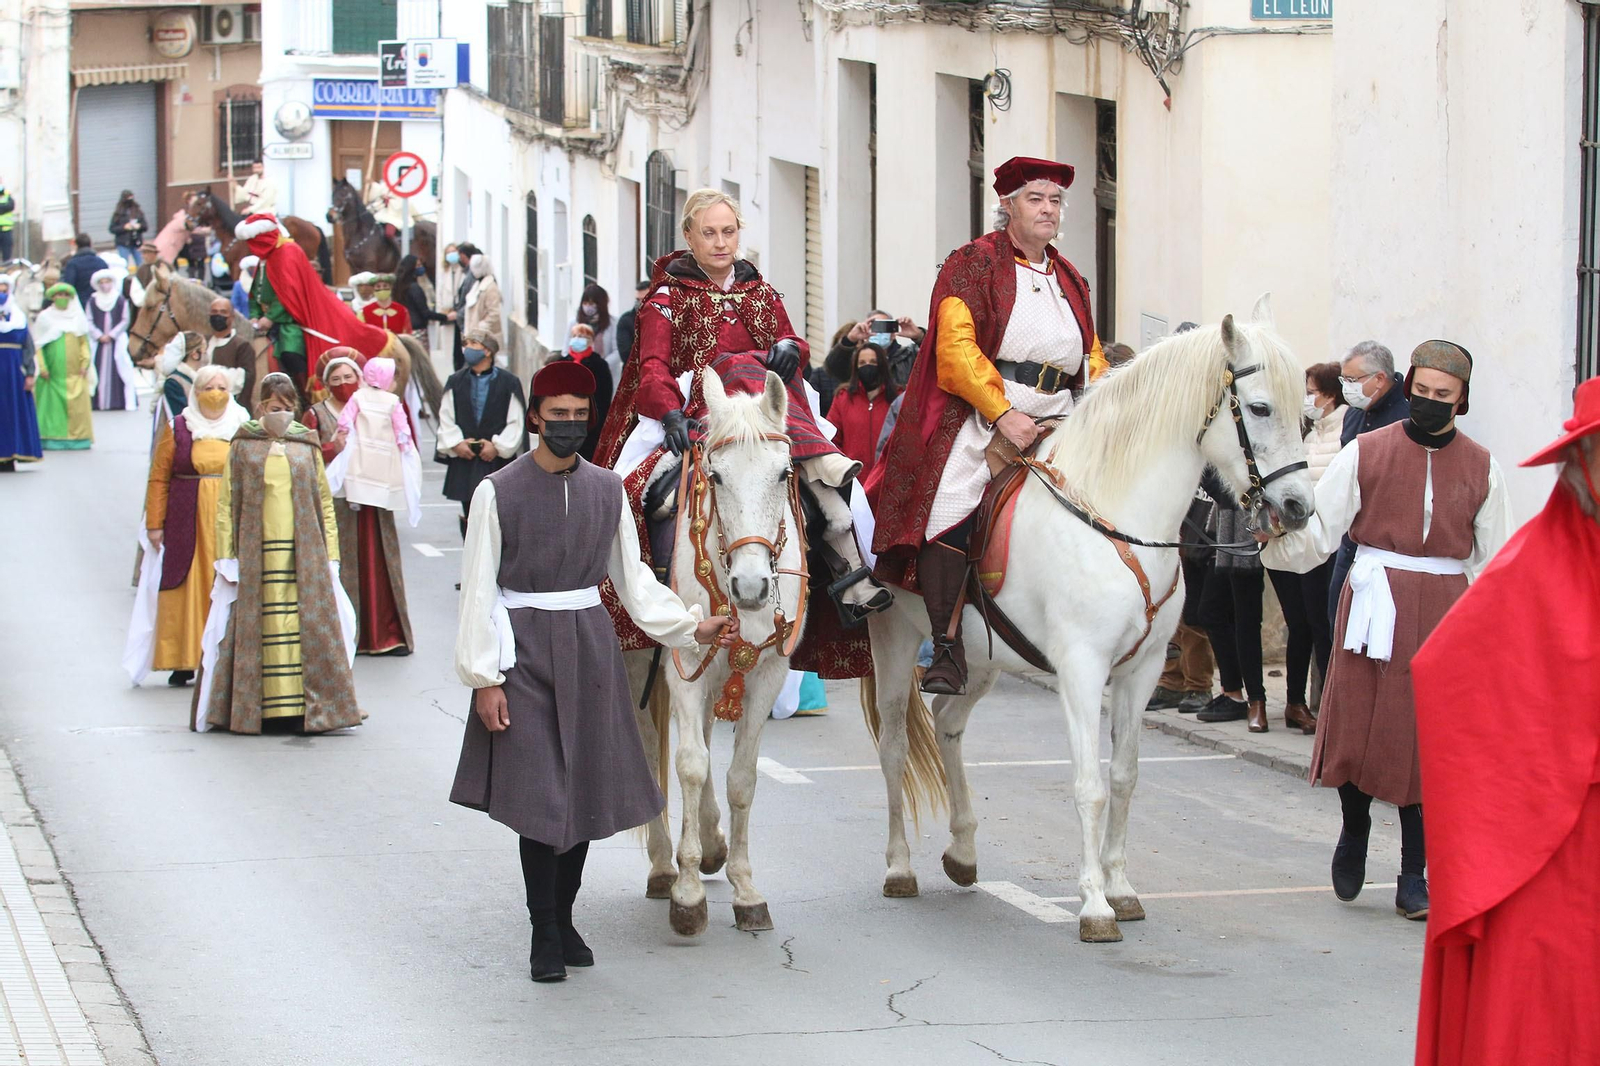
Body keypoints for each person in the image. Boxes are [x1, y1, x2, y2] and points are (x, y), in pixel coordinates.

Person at [449, 360, 737, 983]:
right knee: (540, 799)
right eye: (559, 417)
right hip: (520, 650)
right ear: (535, 418)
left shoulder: (608, 490)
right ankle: (542, 930)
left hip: (588, 646)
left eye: (581, 417)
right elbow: (477, 590)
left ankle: (566, 916)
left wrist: (690, 624)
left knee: (578, 794)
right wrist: (485, 680)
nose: (571, 427)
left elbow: (634, 579)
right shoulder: (497, 491)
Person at [1261, 340, 1513, 922]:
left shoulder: (1482, 467)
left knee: (1427, 742)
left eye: (1442, 396)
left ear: (1462, 400)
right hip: (1373, 601)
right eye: (1420, 391)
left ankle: (1413, 873)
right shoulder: (1366, 451)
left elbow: (1494, 562)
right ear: (1408, 386)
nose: (1428, 402)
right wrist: (1277, 537)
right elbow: (1322, 528)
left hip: (1445, 611)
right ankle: (1353, 831)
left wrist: (1496, 638)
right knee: (1359, 723)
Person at [593, 187, 892, 629]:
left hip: (769, 417)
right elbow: (651, 365)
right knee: (629, 494)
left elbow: (791, 338)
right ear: (689, 237)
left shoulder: (762, 293)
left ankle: (849, 567)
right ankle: (636, 590)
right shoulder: (666, 299)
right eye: (709, 233)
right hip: (700, 408)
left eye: (728, 232)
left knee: (831, 487)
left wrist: (791, 347)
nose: (720, 242)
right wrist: (670, 411)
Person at [1410, 378, 1600, 1066]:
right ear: (1582, 467)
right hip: (1549, 844)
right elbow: (1449, 678)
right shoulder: (1531, 569)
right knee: (1545, 1008)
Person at [870, 156, 1107, 695]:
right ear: (1007, 205)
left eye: (1054, 201)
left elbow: (1089, 349)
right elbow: (955, 349)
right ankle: (947, 645)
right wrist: (1004, 414)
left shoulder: (1069, 275)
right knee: (952, 501)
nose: (1047, 210)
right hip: (988, 410)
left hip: (1065, 413)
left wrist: (1100, 398)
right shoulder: (972, 264)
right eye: (1035, 199)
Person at [204, 374, 360, 734]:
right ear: (261, 406)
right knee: (261, 630)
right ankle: (259, 707)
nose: (281, 414)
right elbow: (227, 502)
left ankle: (306, 707)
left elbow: (323, 501)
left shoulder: (306, 444)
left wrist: (331, 555)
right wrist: (226, 555)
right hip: (257, 553)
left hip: (303, 556)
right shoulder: (244, 444)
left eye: (288, 408)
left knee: (305, 629)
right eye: (275, 407)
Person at [135, 365, 248, 687]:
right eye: (208, 387)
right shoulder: (179, 427)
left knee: (226, 582)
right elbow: (158, 477)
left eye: (222, 387)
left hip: (229, 517)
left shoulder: (243, 425)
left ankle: (225, 656)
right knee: (186, 583)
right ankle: (183, 658)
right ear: (195, 392)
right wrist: (155, 524)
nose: (215, 394)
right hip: (186, 516)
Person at [238, 213, 398, 397]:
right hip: (268, 322)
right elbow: (256, 292)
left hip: (291, 319)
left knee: (290, 352)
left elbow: (290, 293)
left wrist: (270, 318)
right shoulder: (264, 260)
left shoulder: (288, 252)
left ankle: (303, 395)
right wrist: (254, 315)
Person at [1326, 340, 1410, 622]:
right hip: (1350, 539)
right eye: (1343, 379)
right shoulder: (1354, 412)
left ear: (1379, 379)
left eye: (1351, 379)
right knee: (1337, 620)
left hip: (1389, 549)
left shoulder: (1408, 416)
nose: (1346, 387)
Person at [437, 331, 525, 538]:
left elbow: (516, 420)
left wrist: (498, 446)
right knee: (470, 512)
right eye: (465, 343)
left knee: (498, 513)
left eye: (473, 343)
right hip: (465, 459)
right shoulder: (455, 381)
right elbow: (446, 416)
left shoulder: (508, 382)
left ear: (487, 351)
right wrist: (457, 443)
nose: (467, 347)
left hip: (496, 461)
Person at [32, 283, 94, 451]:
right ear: (53, 297)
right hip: (52, 374)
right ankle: (52, 438)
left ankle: (78, 438)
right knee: (52, 408)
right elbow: (38, 345)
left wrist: (84, 362)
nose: (62, 298)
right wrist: (42, 367)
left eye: (66, 295)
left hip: (75, 373)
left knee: (77, 408)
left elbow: (83, 343)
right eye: (59, 295)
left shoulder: (77, 317)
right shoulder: (45, 318)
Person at [827, 336, 896, 479]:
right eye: (862, 363)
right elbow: (831, 437)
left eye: (873, 362)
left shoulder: (898, 398)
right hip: (853, 481)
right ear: (856, 367)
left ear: (882, 365)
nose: (868, 366)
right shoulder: (843, 397)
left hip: (886, 481)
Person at [0, 274, 41, 470]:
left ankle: (11, 455)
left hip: (13, 375)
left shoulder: (18, 317)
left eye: (4, 289)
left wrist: (30, 373)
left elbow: (28, 347)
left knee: (11, 413)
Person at [85, 268, 139, 412]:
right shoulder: (93, 300)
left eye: (107, 281)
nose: (105, 285)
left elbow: (125, 319)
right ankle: (97, 401)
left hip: (116, 341)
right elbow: (88, 320)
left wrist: (112, 334)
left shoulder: (119, 299)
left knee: (121, 368)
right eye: (101, 282)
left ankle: (118, 400)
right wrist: (98, 335)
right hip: (98, 342)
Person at [561, 324, 612, 461]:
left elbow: (604, 397)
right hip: (564, 422)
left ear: (591, 341)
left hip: (591, 424)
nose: (578, 339)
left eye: (583, 337)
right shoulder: (562, 363)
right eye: (575, 336)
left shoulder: (599, 365)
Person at [205, 296, 257, 410]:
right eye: (214, 312)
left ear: (231, 317)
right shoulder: (203, 343)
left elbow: (245, 381)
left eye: (223, 312)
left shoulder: (242, 346)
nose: (218, 316)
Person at [572, 283, 620, 391]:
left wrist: (600, 366)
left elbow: (617, 351)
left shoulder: (613, 324)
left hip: (606, 377)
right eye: (585, 303)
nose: (588, 307)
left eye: (592, 303)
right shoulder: (574, 323)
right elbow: (567, 349)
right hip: (580, 377)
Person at [394, 254, 446, 349]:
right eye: (418, 265)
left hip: (402, 331)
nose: (421, 268)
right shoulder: (415, 288)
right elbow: (425, 312)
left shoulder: (397, 288)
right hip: (418, 331)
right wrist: (444, 317)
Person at [444, 242, 481, 370]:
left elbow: (472, 301)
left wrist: (458, 314)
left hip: (467, 322)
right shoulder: (468, 274)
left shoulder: (472, 276)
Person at [461, 254, 503, 352]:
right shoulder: (477, 284)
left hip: (484, 337)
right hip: (473, 335)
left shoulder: (490, 287)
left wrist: (480, 328)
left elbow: (494, 313)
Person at [59, 234, 109, 306]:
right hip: (100, 304)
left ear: (76, 245)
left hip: (80, 304)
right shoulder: (101, 262)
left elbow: (68, 286)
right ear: (90, 244)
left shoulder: (72, 264)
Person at [614, 278, 650, 368]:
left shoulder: (663, 319)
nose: (640, 303)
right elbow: (626, 354)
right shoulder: (626, 321)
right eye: (638, 299)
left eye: (644, 299)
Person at [109, 191, 148, 257]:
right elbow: (112, 228)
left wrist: (139, 226)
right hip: (123, 243)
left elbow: (145, 226)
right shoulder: (118, 213)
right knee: (124, 263)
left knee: (140, 264)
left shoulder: (138, 211)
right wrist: (124, 227)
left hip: (137, 243)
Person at [0, 179, 15, 263]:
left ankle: (7, 271)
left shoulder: (7, 194)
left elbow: (10, 206)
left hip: (6, 230)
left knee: (7, 255)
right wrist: (3, 207)